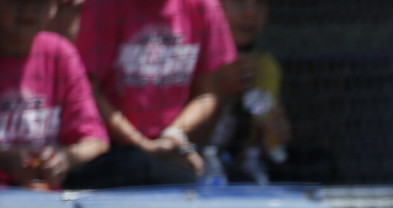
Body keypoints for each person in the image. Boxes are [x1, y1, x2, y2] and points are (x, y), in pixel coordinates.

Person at [70, 0, 235, 188]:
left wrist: (173, 135)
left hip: (172, 149)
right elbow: (87, 90)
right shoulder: (104, 6)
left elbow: (207, 95)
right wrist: (140, 143)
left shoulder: (205, 6)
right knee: (139, 166)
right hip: (110, 151)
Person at [0, 0, 107, 189]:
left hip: (49, 199)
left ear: (54, 8)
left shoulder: (61, 53)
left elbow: (96, 140)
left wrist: (64, 158)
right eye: (16, 1)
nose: (28, 10)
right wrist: (5, 158)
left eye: (40, 3)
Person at [206, 0, 285, 184]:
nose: (251, 13)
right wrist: (221, 93)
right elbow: (181, 144)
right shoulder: (189, 60)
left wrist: (268, 139)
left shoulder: (265, 67)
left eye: (260, 4)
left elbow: (247, 154)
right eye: (238, 2)